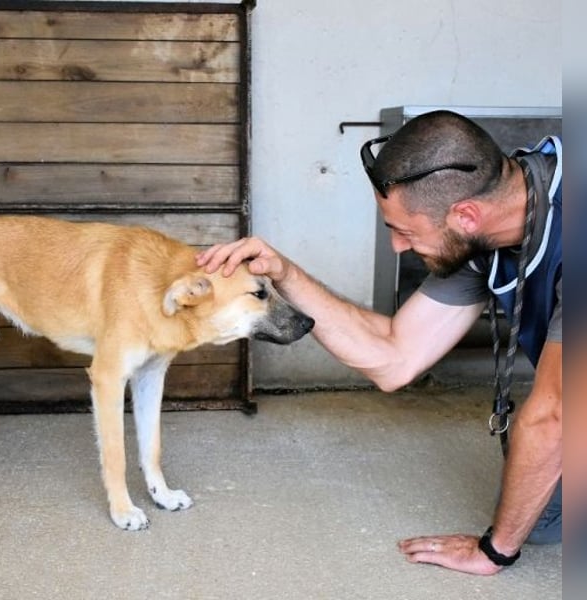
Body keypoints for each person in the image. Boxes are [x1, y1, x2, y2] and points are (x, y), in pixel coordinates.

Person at [196, 110, 561, 576]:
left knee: (539, 465)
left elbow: (553, 417)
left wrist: (494, 551)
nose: (396, 247)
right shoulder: (486, 229)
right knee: (541, 514)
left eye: (404, 231)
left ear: (465, 216)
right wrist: (284, 274)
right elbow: (394, 356)